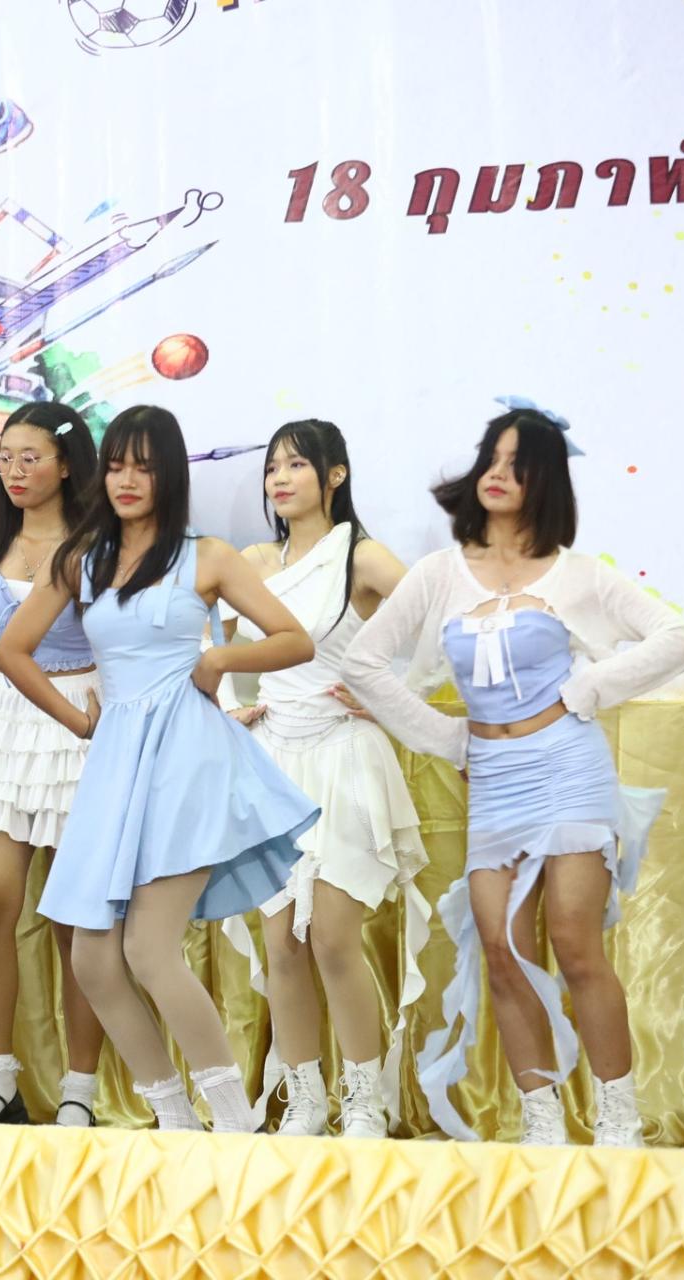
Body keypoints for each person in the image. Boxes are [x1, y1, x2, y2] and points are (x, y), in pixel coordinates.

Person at [342, 403, 684, 1146]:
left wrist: (587, 689)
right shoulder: (439, 575)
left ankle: (619, 1121)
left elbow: (681, 638)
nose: (499, 474)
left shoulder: (578, 575)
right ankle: (542, 1123)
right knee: (503, 950)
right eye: (492, 459)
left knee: (574, 941)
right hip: (494, 778)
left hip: (568, 764)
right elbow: (363, 662)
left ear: (545, 481)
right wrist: (448, 739)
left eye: (518, 463)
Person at [0, 405, 318, 1134]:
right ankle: (174, 1117)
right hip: (116, 760)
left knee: (147, 947)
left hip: (189, 756)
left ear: (168, 473)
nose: (126, 480)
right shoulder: (82, 557)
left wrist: (218, 659)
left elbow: (294, 640)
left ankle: (232, 1123)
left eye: (142, 466)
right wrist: (79, 719)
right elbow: (12, 649)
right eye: (115, 465)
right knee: (92, 959)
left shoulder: (207, 556)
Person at [218, 419, 425, 1138]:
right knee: (282, 943)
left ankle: (365, 1101)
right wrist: (230, 708)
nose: (279, 479)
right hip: (271, 762)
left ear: (335, 475)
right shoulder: (251, 560)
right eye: (272, 467)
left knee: (334, 937)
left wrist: (390, 697)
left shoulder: (360, 556)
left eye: (296, 465)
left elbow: (440, 625)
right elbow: (213, 644)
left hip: (342, 754)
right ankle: (303, 1099)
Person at [0, 402, 107, 1126]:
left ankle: (80, 1090)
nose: (13, 470)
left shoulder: (101, 542)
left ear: (67, 464)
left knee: (78, 918)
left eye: (29, 457)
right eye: (4, 457)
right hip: (5, 728)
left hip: (82, 719)